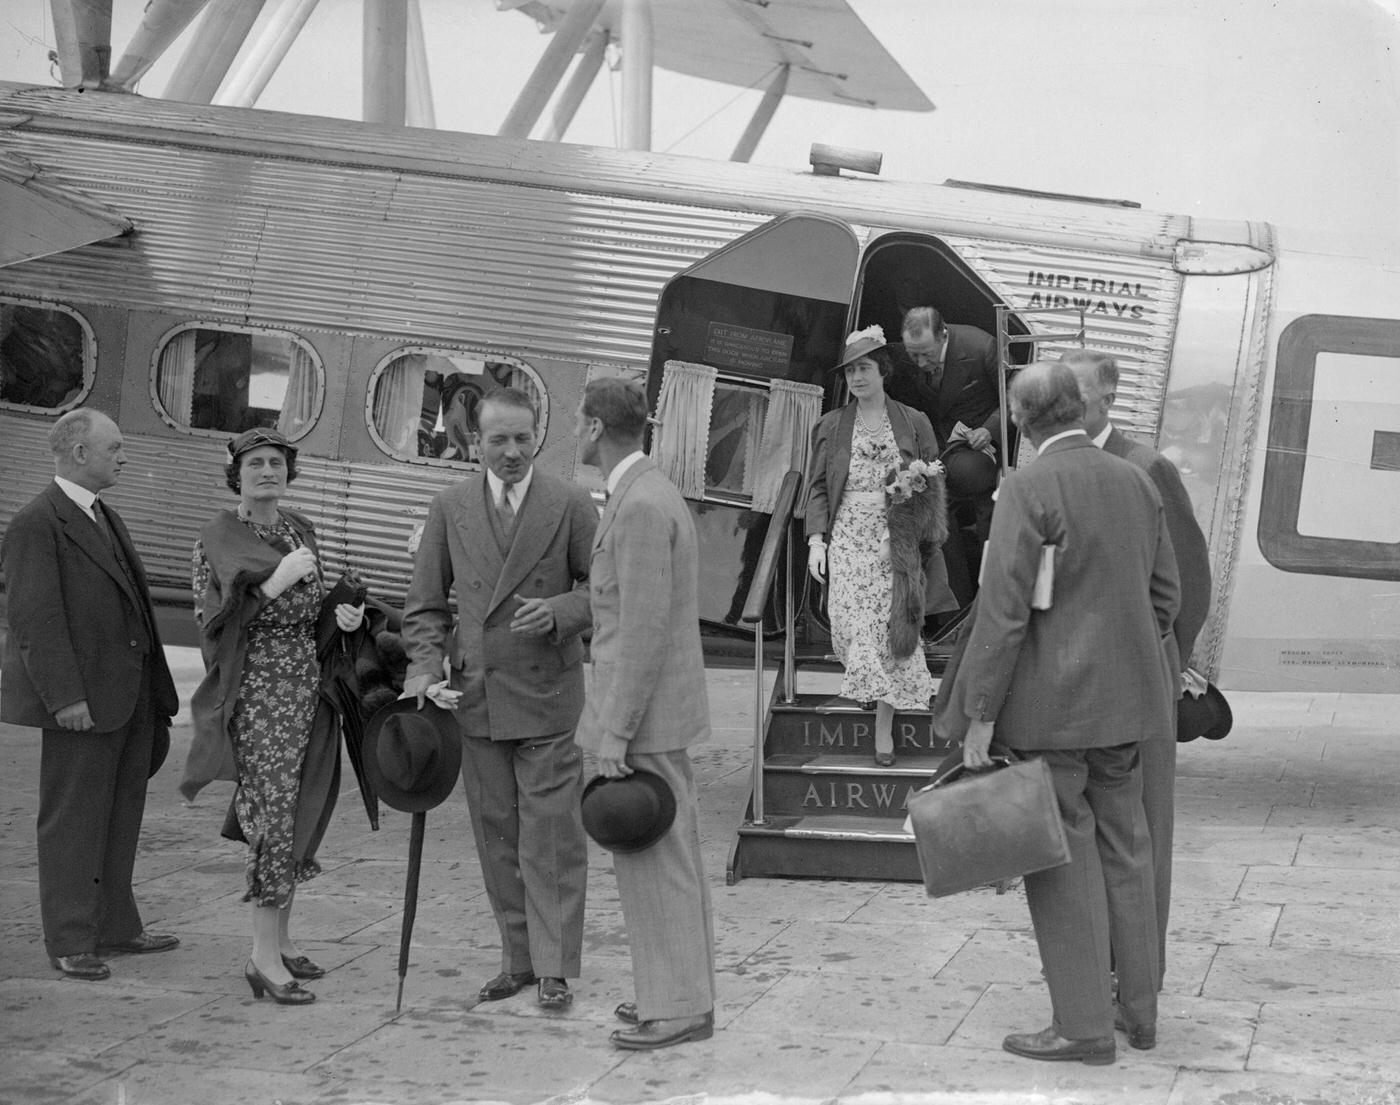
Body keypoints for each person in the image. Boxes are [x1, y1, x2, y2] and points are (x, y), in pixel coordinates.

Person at [957, 362, 1181, 1065]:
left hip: (1054, 711)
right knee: (1129, 847)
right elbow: (1166, 596)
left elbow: (1003, 613)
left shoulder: (1027, 487)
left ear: (1023, 423)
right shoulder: (1136, 480)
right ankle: (1138, 1013)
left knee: (1063, 858)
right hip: (1129, 705)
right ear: (1078, 409)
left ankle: (1082, 1025)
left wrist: (981, 713)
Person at [400, 386, 596, 1012]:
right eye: (498, 440)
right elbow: (426, 606)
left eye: (522, 438)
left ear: (538, 436)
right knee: (498, 834)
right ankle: (517, 960)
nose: (511, 452)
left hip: (547, 694)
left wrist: (564, 609)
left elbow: (606, 585)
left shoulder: (568, 502)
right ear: (473, 443)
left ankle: (554, 966)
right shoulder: (450, 506)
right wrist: (424, 669)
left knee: (553, 837)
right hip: (476, 696)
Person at [183, 427, 365, 1006]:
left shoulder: (297, 528)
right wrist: (268, 588)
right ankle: (261, 959)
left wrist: (341, 618)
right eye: (256, 462)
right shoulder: (216, 537)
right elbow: (211, 625)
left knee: (305, 802)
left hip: (308, 685)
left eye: (277, 462)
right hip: (259, 693)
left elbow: (310, 613)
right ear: (237, 472)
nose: (268, 471)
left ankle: (282, 941)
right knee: (274, 815)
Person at [1, 409, 180, 980]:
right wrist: (64, 699)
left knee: (120, 815)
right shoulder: (38, 522)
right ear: (80, 453)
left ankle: (116, 926)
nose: (124, 457)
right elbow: (34, 620)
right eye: (115, 448)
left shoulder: (102, 514)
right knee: (73, 821)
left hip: (126, 697)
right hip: (83, 704)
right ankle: (71, 939)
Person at [573, 377, 716, 1051]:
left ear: (595, 427)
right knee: (664, 863)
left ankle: (680, 1005)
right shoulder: (650, 490)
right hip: (659, 712)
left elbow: (642, 629)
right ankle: (673, 990)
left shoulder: (635, 505)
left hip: (644, 718)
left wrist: (614, 733)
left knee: (658, 863)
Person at [1063, 349, 1213, 987]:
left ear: (1106, 400)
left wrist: (1162, 657)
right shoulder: (1059, 463)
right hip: (1080, 684)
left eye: (1075, 394)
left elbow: (1191, 581)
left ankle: (1139, 977)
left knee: (1142, 826)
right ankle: (1099, 963)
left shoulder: (1145, 465)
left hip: (1143, 677)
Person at [805, 325, 955, 767]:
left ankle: (884, 727)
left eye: (865, 368)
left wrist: (910, 533)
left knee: (890, 630)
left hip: (896, 532)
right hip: (847, 530)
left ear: (883, 371)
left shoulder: (912, 421)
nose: (858, 378)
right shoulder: (832, 425)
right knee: (851, 620)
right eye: (851, 370)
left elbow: (932, 480)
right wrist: (817, 539)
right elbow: (816, 486)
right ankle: (869, 689)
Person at [885, 306, 1004, 597]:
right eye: (914, 355)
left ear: (944, 334)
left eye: (926, 353)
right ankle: (955, 599)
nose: (921, 362)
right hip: (934, 447)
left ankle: (987, 591)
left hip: (977, 451)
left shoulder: (981, 347)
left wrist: (989, 428)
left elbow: (1016, 393)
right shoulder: (904, 355)